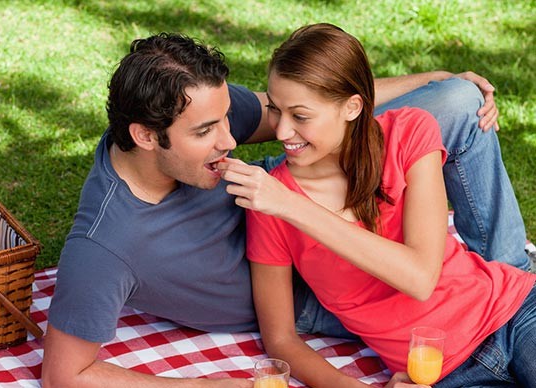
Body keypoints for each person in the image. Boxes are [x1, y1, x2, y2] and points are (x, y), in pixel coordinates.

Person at [42, 31, 530, 387]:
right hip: (304, 287)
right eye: (205, 132)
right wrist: (200, 387)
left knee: (459, 99)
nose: (233, 141)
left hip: (300, 196)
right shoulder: (104, 246)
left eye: (224, 121)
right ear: (146, 136)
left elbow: (304, 105)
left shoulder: (191, 103)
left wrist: (428, 79)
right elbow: (64, 373)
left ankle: (511, 274)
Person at [220, 23, 536, 387]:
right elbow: (281, 339)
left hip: (514, 311)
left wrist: (293, 207)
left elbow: (419, 278)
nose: (280, 131)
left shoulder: (408, 132)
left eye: (300, 116)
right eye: (275, 110)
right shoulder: (268, 203)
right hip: (437, 374)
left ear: (352, 107)